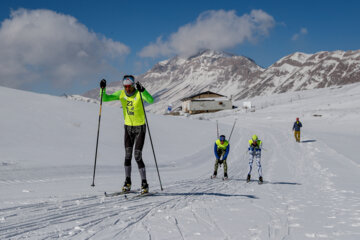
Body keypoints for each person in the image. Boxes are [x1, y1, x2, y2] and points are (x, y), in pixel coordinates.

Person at [99, 75, 154, 194]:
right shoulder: (121, 94)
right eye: (125, 87)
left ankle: (144, 183)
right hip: (128, 128)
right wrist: (102, 89)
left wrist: (143, 90)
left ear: (133, 85)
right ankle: (127, 182)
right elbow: (105, 98)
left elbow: (151, 100)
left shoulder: (139, 93)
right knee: (127, 155)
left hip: (140, 128)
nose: (127, 89)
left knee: (137, 156)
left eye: (129, 86)